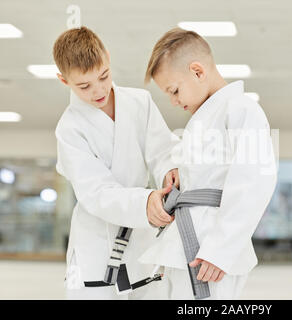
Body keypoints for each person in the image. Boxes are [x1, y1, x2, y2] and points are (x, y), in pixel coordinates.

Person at [139, 27, 277, 300]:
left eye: (174, 90)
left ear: (198, 71)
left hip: (210, 253)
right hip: (187, 244)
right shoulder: (204, 119)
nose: (174, 101)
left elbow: (254, 182)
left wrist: (221, 249)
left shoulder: (242, 109)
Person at [53, 26, 178, 299]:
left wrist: (170, 173)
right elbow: (96, 193)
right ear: (64, 81)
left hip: (143, 234)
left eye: (104, 76)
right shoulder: (69, 129)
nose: (98, 90)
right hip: (94, 240)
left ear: (108, 58)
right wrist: (144, 203)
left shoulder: (139, 102)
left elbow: (163, 151)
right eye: (84, 86)